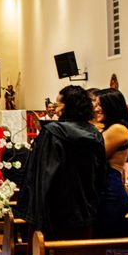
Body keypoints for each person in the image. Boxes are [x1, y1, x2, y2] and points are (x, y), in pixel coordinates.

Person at [16, 85, 106, 240]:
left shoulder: (52, 133)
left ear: (68, 107)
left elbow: (42, 175)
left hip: (54, 210)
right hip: (84, 206)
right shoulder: (94, 133)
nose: (56, 110)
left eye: (58, 105)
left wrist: (34, 212)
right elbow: (100, 172)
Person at [94, 88, 128, 237]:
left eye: (100, 105)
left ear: (112, 106)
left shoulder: (118, 129)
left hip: (110, 190)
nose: (96, 109)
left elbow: (96, 157)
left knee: (106, 239)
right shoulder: (110, 127)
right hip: (105, 188)